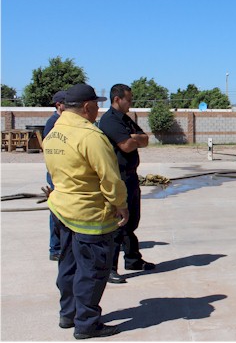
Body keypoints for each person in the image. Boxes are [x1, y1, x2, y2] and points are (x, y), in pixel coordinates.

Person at [43, 83, 128, 339]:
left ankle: (68, 314)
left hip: (62, 211)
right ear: (88, 107)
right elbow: (110, 179)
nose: (98, 111)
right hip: (89, 215)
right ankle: (87, 323)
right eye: (96, 106)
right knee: (91, 272)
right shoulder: (90, 136)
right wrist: (121, 204)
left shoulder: (54, 132)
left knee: (68, 266)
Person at [98, 84, 153, 284]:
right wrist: (134, 139)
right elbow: (127, 146)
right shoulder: (110, 120)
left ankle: (133, 260)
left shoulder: (125, 120)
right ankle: (110, 268)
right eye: (128, 100)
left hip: (131, 177)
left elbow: (145, 139)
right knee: (118, 224)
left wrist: (134, 138)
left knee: (131, 222)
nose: (130, 103)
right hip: (119, 177)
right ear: (116, 99)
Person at [42, 90, 67, 261]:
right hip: (56, 173)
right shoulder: (53, 123)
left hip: (62, 172)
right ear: (58, 104)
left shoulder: (62, 121)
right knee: (56, 212)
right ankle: (55, 248)